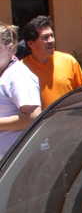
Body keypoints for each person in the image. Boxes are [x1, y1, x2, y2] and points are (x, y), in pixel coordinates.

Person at [21, 16, 82, 108]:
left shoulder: (68, 61)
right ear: (31, 43)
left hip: (69, 117)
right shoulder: (21, 69)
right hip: (40, 118)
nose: (51, 40)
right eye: (45, 37)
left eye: (52, 35)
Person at [0, 23, 40, 155]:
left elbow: (33, 116)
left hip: (18, 158)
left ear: (10, 48)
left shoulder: (18, 75)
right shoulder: (5, 73)